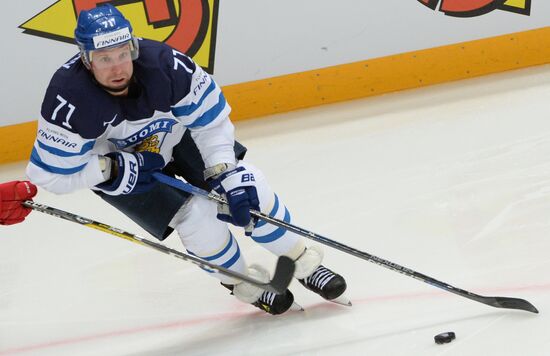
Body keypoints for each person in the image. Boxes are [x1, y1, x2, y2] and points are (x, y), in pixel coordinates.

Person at [25, 4, 348, 314]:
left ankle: (304, 262)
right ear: (85, 58)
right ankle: (244, 284)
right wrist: (108, 168)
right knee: (196, 217)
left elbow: (210, 123)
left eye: (123, 54)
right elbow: (48, 176)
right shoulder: (68, 99)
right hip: (121, 166)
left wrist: (225, 171)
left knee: (247, 187)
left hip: (177, 136)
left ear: (134, 48)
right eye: (104, 58)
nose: (117, 67)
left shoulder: (168, 66)